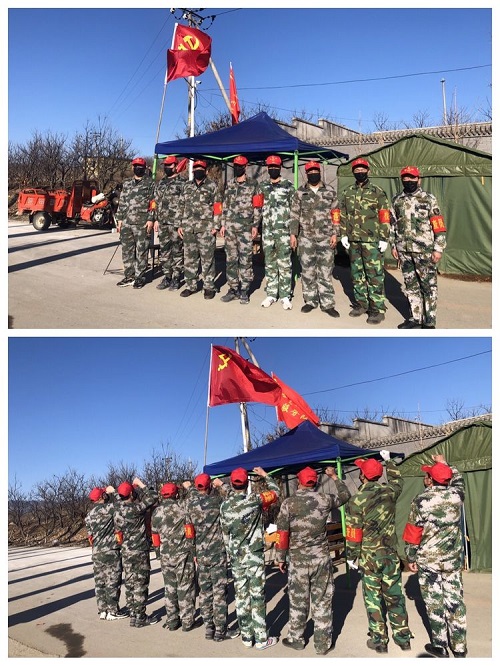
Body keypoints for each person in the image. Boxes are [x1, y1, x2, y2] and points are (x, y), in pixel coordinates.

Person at [275, 466, 351, 655]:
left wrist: (280, 558)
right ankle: (322, 644)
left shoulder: (288, 503)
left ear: (298, 482)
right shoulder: (324, 499)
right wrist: (334, 477)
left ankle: (296, 639)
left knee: (298, 600)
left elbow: (282, 533)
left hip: (298, 561)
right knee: (322, 601)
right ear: (315, 482)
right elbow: (345, 496)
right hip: (321, 559)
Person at [345, 451, 413, 653]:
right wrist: (389, 461)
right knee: (395, 596)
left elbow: (353, 532)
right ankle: (403, 639)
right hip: (390, 555)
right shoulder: (389, 492)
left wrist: (351, 557)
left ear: (362, 476)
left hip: (369, 558)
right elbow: (398, 480)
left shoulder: (356, 500)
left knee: (373, 598)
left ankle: (379, 640)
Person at [403, 454, 467, 658]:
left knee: (434, 602)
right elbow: (459, 479)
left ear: (431, 479)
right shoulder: (456, 496)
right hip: (452, 560)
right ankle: (459, 648)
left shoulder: (421, 501)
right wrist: (445, 463)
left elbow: (414, 532)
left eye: (428, 475)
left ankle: (440, 646)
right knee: (455, 600)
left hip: (429, 560)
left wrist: (410, 558)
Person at [219, 466, 279, 650]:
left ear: (232, 484)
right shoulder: (255, 500)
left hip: (237, 557)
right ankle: (261, 639)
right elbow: (275, 493)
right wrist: (265, 476)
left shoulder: (225, 506)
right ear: (247, 483)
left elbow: (225, 535)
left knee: (241, 596)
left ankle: (246, 636)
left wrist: (230, 554)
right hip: (254, 556)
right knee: (257, 596)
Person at [183, 473, 239, 641]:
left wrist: (194, 553)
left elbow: (189, 532)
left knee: (205, 592)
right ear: (210, 487)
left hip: (201, 554)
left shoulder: (190, 505)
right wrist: (222, 484)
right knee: (219, 592)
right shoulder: (217, 502)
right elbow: (235, 497)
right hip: (217, 554)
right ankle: (220, 630)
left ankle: (209, 627)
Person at [391, 166, 447, 329]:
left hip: (424, 251)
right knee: (411, 286)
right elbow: (393, 224)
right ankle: (415, 318)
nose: (409, 181)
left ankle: (429, 322)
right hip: (404, 250)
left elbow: (438, 225)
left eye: (412, 177)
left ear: (419, 179)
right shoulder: (397, 200)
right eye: (405, 178)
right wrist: (393, 245)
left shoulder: (428, 199)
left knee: (428, 286)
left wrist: (438, 248)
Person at [338, 158, 391, 324]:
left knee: (374, 275)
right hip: (354, 240)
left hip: (372, 241)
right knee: (356, 274)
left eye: (362, 169)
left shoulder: (377, 192)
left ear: (368, 171)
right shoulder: (347, 192)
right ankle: (362, 304)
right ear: (353, 172)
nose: (360, 172)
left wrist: (384, 237)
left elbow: (384, 216)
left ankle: (377, 309)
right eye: (357, 169)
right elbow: (343, 215)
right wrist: (343, 234)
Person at [289, 161, 341, 318]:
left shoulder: (330, 191)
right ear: (306, 174)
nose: (313, 174)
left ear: (319, 171)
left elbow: (336, 213)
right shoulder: (300, 193)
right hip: (306, 238)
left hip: (326, 237)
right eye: (310, 172)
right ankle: (310, 301)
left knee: (325, 271)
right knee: (308, 271)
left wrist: (335, 233)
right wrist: (293, 234)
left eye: (315, 171)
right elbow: (294, 214)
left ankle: (327, 303)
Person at [150, 482, 201, 633]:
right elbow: (190, 531)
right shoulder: (182, 506)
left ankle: (172, 621)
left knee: (170, 588)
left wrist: (158, 554)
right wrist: (190, 487)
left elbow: (155, 536)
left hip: (166, 555)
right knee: (185, 587)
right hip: (182, 554)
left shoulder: (156, 512)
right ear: (176, 494)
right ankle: (187, 622)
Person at [113, 477, 159, 627]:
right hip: (139, 551)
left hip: (126, 552)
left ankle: (133, 614)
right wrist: (141, 484)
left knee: (130, 583)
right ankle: (140, 617)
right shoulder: (136, 509)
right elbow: (153, 496)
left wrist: (118, 493)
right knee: (140, 584)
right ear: (132, 494)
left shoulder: (117, 510)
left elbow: (119, 499)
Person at [219, 156, 260, 304]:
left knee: (245, 260)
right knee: (231, 260)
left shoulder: (253, 184)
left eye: (240, 165)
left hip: (245, 229)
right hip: (230, 229)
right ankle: (233, 289)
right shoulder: (230, 184)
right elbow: (225, 205)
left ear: (246, 166)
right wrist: (223, 224)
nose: (237, 168)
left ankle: (244, 290)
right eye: (236, 165)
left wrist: (255, 225)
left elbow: (257, 206)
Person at [256, 155, 295, 310]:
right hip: (267, 232)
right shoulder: (262, 186)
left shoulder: (288, 186)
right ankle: (271, 293)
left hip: (284, 232)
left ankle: (285, 295)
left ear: (280, 168)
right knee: (270, 263)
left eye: (276, 167)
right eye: (271, 167)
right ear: (267, 168)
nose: (273, 169)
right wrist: (256, 227)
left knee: (284, 264)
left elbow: (294, 211)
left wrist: (293, 233)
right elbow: (257, 208)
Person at [178, 160, 221, 300]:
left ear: (206, 171)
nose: (198, 171)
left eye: (200, 168)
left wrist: (216, 225)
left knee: (207, 259)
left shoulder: (212, 186)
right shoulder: (186, 186)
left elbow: (218, 207)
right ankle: (191, 285)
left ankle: (208, 287)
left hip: (206, 229)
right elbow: (181, 205)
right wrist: (179, 224)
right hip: (189, 228)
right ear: (192, 171)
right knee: (189, 259)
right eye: (196, 168)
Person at [85, 486, 127, 621]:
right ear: (102, 497)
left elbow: (90, 536)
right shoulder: (109, 508)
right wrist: (114, 492)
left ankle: (103, 610)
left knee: (100, 582)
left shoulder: (89, 515)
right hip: (110, 550)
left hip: (97, 552)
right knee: (112, 581)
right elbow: (123, 506)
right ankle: (113, 611)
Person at [115, 157, 155, 289]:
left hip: (142, 222)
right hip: (127, 222)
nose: (138, 168)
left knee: (141, 250)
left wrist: (150, 219)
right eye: (136, 166)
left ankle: (139, 277)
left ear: (144, 168)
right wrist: (119, 219)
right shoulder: (127, 183)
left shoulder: (150, 183)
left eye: (141, 166)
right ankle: (129, 276)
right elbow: (122, 202)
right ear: (132, 167)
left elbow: (153, 203)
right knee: (127, 250)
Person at [153, 156, 184, 292]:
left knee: (177, 251)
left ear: (176, 166)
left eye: (169, 165)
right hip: (162, 222)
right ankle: (167, 276)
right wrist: (155, 219)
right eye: (165, 165)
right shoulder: (161, 183)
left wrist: (181, 223)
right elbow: (156, 202)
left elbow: (184, 205)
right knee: (164, 251)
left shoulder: (182, 183)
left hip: (175, 223)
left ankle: (176, 278)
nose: (167, 167)